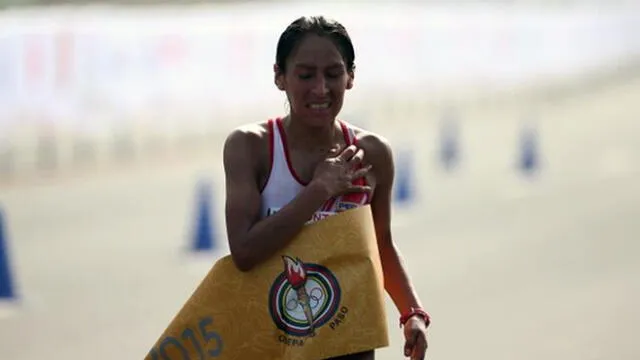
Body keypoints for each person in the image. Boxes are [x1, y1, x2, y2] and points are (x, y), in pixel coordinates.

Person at [222, 15, 430, 360]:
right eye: (305, 75)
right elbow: (244, 252)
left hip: (349, 340)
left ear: (350, 77)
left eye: (333, 74)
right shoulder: (250, 147)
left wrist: (411, 314)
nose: (320, 89)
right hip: (272, 342)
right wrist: (319, 190)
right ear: (279, 76)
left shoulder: (373, 153)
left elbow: (380, 245)